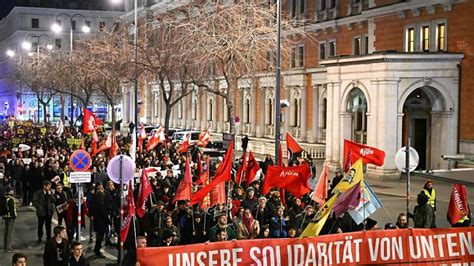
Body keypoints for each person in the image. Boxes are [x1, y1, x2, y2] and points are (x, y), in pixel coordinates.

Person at [90, 182, 108, 258]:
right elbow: (103, 212)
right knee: (100, 236)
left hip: (98, 220)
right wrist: (108, 221)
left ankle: (97, 249)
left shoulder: (96, 197)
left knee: (99, 236)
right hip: (100, 221)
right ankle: (97, 250)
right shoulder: (99, 200)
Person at [3, 187, 17, 252]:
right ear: (10, 191)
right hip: (10, 217)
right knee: (10, 233)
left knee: (6, 232)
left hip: (5, 217)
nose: (13, 191)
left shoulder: (5, 198)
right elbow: (12, 209)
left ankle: (5, 246)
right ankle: (8, 248)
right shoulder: (11, 199)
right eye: (12, 190)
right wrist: (14, 216)